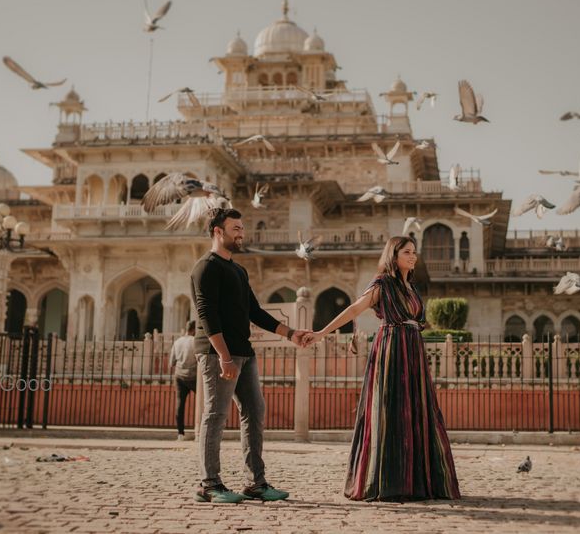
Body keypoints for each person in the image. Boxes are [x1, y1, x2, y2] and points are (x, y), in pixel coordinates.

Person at [304, 236, 461, 501]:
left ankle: (417, 482)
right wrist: (321, 333)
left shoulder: (411, 287)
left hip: (413, 350)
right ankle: (387, 481)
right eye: (407, 252)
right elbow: (355, 308)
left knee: (417, 411)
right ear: (394, 255)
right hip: (391, 350)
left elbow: (416, 320)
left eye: (414, 252)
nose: (413, 256)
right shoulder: (383, 283)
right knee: (390, 410)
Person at [191, 207, 308, 504]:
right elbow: (207, 316)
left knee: (255, 412)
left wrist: (291, 333)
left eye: (242, 228)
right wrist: (224, 357)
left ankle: (255, 483)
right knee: (215, 415)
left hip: (245, 352)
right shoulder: (205, 267)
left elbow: (255, 312)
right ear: (218, 231)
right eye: (236, 228)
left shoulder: (238, 270)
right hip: (219, 354)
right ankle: (209, 484)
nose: (241, 233)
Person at [169, 320, 198, 441]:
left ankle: (180, 433)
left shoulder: (177, 342)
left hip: (180, 376)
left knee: (180, 404)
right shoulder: (195, 341)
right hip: (194, 376)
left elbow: (172, 362)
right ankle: (200, 430)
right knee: (205, 402)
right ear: (194, 330)